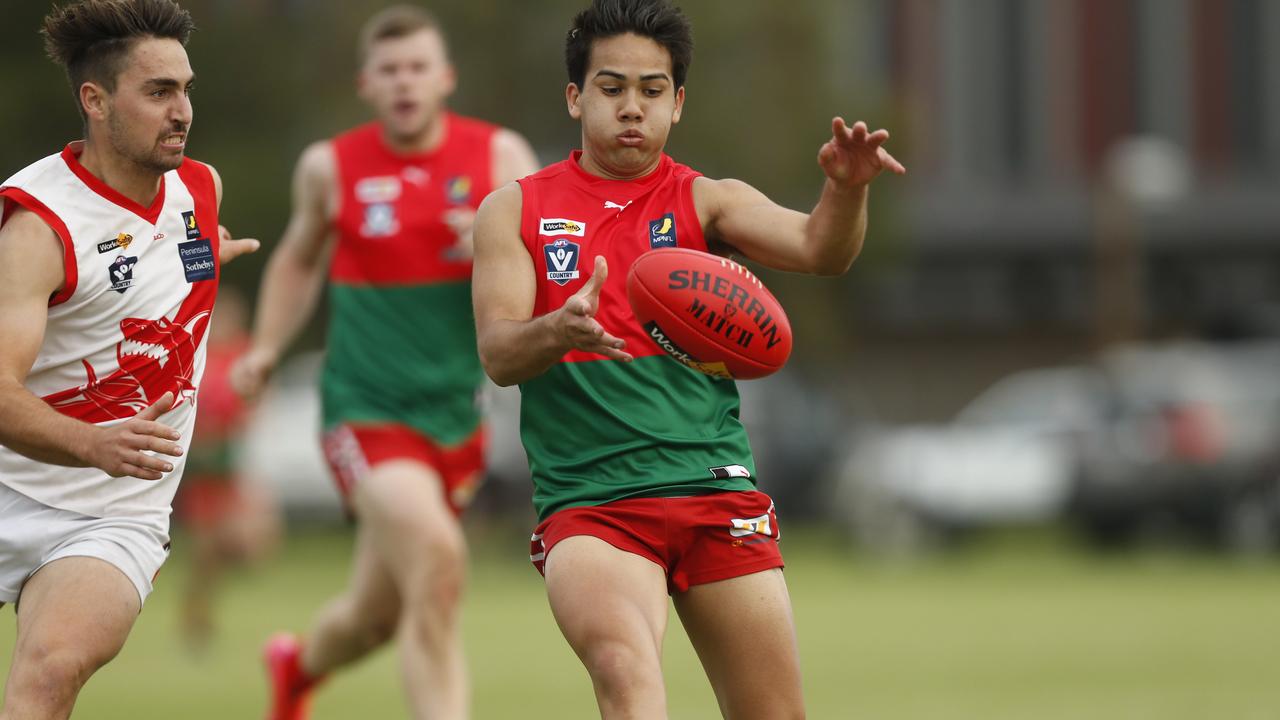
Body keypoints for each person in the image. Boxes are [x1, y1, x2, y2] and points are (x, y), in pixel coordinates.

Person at [470, 0, 906, 717]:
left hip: (715, 487)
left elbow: (820, 251)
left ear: (678, 101)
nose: (632, 108)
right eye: (611, 89)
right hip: (595, 502)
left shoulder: (706, 202)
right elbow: (499, 352)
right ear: (576, 96)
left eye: (652, 90)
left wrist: (846, 189)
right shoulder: (512, 210)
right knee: (624, 670)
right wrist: (559, 329)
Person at [229, 6, 539, 719]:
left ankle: (296, 667)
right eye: (390, 70)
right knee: (438, 561)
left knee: (375, 618)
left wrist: (499, 243)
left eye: (418, 68)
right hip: (363, 409)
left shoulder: (501, 159)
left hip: (454, 419)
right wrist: (268, 349)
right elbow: (299, 260)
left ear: (446, 78)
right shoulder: (329, 167)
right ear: (367, 83)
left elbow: (553, 260)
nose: (404, 82)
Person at [0, 1, 258, 717]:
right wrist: (92, 441)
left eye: (185, 89)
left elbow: (172, 251)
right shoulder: (38, 228)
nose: (182, 111)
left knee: (49, 672)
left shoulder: (200, 190)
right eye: (157, 92)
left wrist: (209, 258)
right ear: (95, 100)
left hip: (114, 512)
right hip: (11, 477)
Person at [173, 288, 281, 653]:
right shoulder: (197, 352)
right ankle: (197, 619)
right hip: (205, 465)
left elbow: (258, 401)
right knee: (205, 553)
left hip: (233, 463)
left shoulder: (244, 354)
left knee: (250, 544)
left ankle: (212, 596)